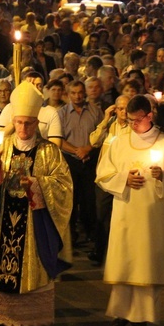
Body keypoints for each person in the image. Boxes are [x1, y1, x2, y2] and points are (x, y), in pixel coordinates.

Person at [0, 81, 73, 326]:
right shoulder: (0, 147)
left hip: (32, 221)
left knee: (32, 265)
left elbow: (64, 186)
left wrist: (37, 185)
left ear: (37, 123)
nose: (23, 127)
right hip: (2, 217)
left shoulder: (49, 151)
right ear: (13, 122)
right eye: (19, 122)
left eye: (28, 123)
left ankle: (29, 318)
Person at [95, 95, 164, 326]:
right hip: (126, 210)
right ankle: (120, 313)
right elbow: (102, 174)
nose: (131, 125)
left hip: (153, 215)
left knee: (146, 265)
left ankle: (141, 317)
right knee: (125, 263)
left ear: (149, 116)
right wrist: (124, 179)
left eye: (136, 120)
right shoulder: (118, 141)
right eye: (128, 120)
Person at [59, 80, 104, 247]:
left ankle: (91, 232)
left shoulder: (95, 111)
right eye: (73, 93)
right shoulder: (62, 114)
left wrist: (88, 148)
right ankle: (71, 235)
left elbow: (102, 134)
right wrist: (77, 150)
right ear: (68, 94)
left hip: (90, 159)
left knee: (89, 199)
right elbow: (58, 139)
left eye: (80, 92)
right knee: (71, 198)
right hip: (70, 160)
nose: (77, 96)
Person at [87, 94, 130, 265]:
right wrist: (105, 119)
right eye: (120, 108)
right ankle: (100, 251)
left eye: (127, 108)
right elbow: (93, 141)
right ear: (115, 109)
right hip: (106, 177)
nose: (124, 112)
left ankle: (120, 254)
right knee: (102, 215)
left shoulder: (133, 128)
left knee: (122, 217)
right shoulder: (110, 126)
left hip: (124, 177)